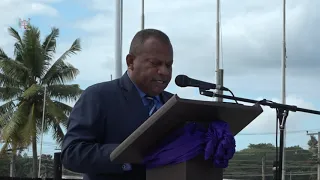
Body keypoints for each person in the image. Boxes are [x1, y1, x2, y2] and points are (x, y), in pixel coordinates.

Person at [61, 29, 174, 180]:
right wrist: (126, 154)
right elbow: (72, 153)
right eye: (155, 63)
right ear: (130, 62)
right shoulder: (98, 96)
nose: (164, 72)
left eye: (169, 65)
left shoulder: (174, 105)